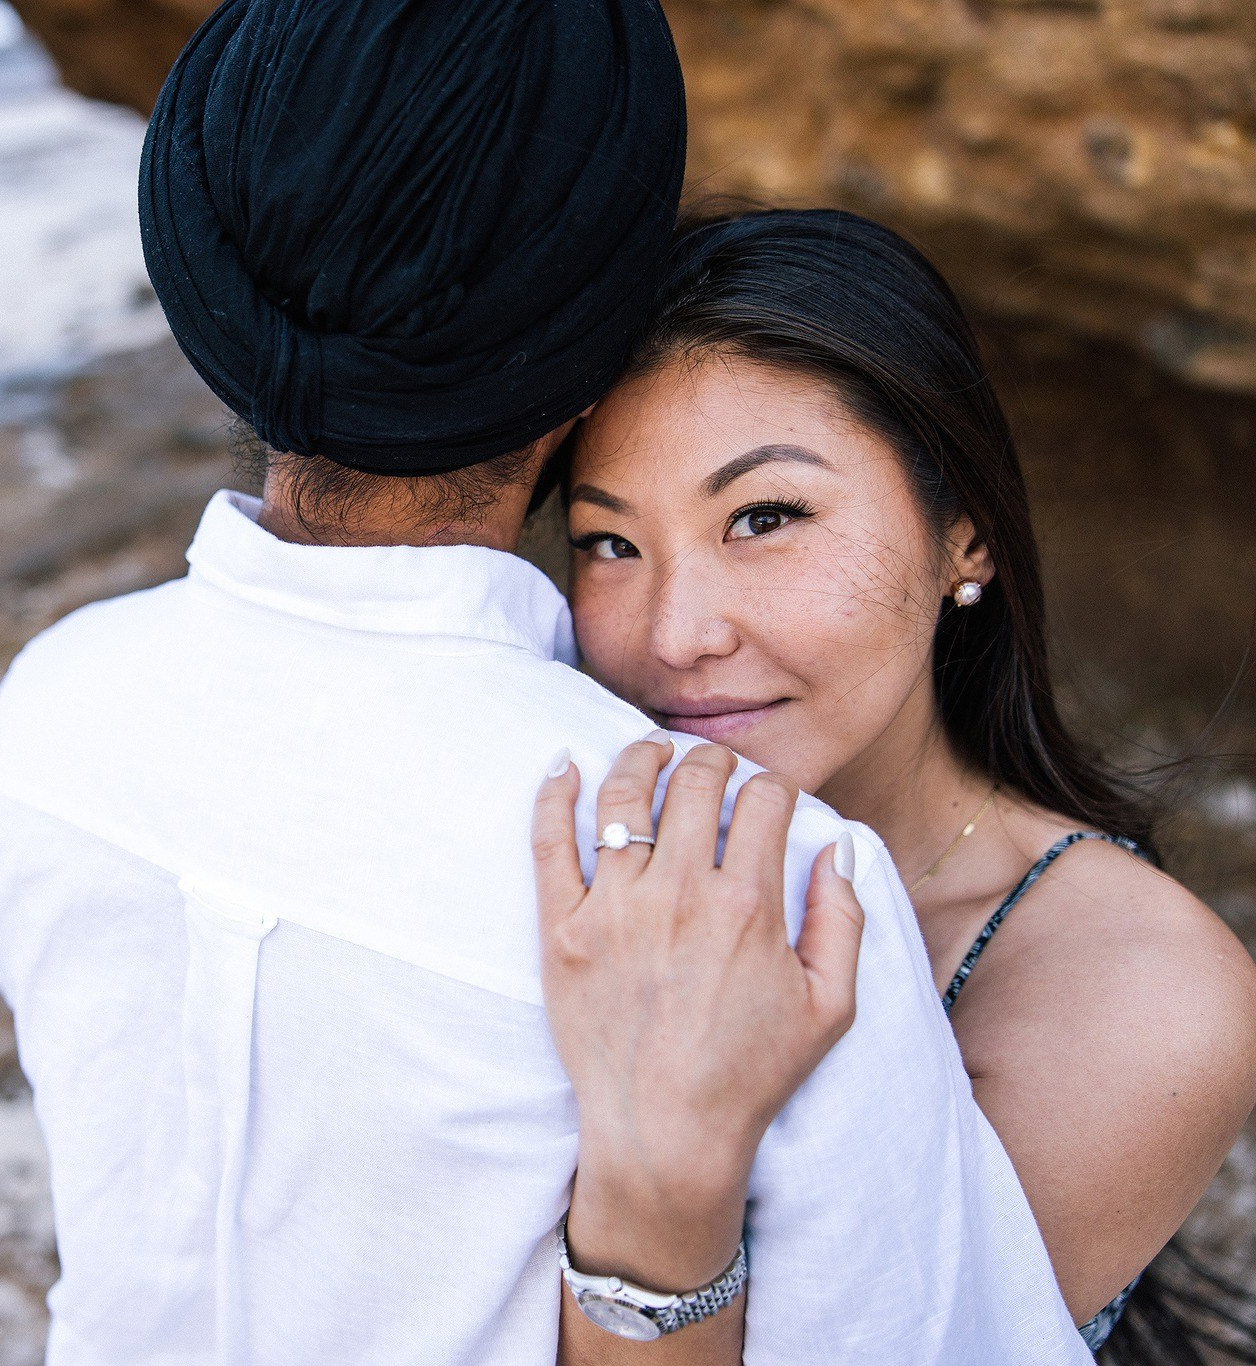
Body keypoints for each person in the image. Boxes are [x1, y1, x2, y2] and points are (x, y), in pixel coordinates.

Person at [0, 1, 1089, 1361]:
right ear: (599, 340)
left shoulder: (53, 714)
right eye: (616, 541)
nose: (680, 632)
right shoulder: (753, 884)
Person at [533, 207, 1256, 1363]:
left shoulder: (1138, 1001)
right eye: (606, 541)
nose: (672, 635)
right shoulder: (551, 820)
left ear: (961, 533)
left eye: (762, 517)